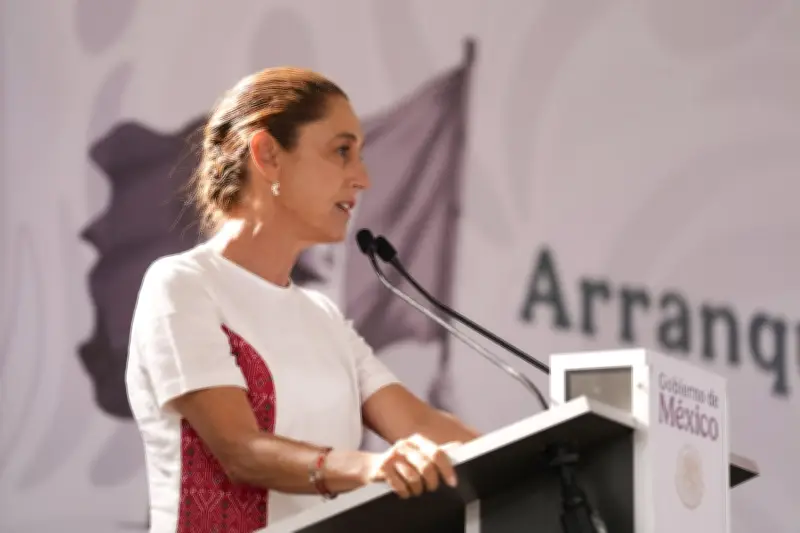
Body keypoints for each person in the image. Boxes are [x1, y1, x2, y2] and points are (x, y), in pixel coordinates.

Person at [125, 66, 480, 533]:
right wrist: (369, 468)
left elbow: (416, 422)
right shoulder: (182, 285)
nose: (362, 179)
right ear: (268, 154)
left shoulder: (323, 317)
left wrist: (556, 449)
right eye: (341, 151)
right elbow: (240, 451)